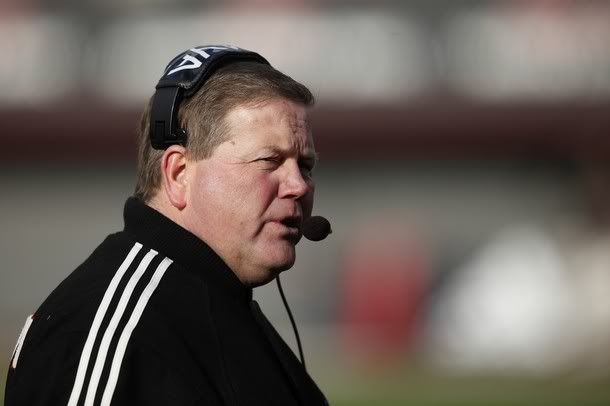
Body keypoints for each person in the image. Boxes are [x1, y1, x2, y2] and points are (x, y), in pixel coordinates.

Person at [5, 45, 328, 405]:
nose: (299, 185)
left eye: (306, 165)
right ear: (178, 173)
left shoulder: (226, 305)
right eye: (270, 160)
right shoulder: (111, 332)